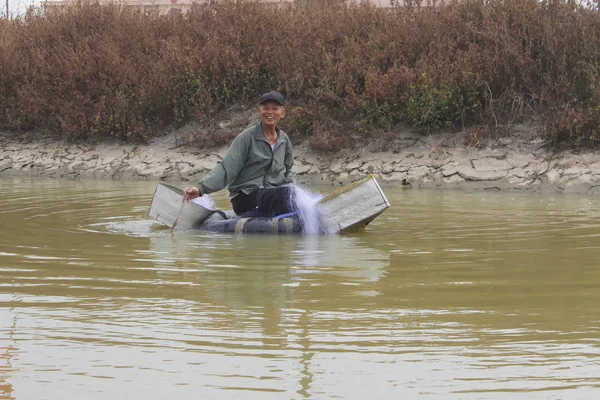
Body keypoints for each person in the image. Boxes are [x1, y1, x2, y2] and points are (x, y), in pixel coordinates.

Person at [183, 91, 294, 216]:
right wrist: (200, 189)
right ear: (259, 111)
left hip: (273, 193)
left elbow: (288, 170)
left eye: (275, 109)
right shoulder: (246, 138)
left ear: (282, 113)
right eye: (266, 108)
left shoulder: (284, 140)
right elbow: (226, 168)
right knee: (275, 196)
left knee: (292, 195)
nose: (270, 112)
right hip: (246, 195)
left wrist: (290, 190)